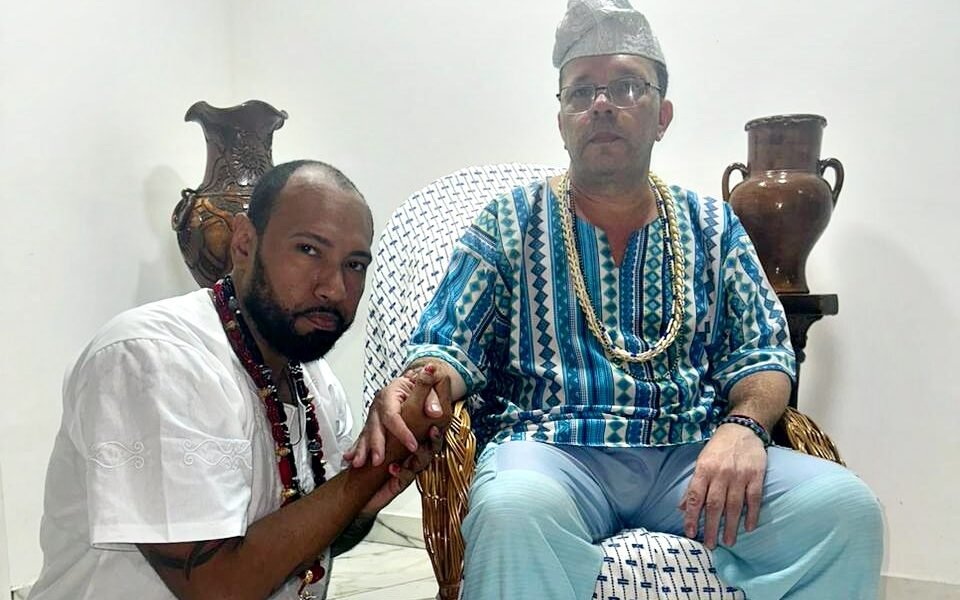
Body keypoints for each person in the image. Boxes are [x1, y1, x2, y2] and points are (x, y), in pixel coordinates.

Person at [350, 2, 883, 599]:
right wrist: (418, 382)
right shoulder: (508, 221)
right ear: (562, 121)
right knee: (511, 509)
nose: (601, 104)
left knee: (844, 511)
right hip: (551, 454)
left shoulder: (713, 225)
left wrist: (743, 428)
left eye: (627, 86)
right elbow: (448, 345)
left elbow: (764, 354)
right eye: (582, 91)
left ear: (662, 116)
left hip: (691, 455)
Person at [29, 160, 448, 600]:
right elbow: (217, 588)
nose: (335, 288)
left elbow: (308, 543)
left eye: (355, 264)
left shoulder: (313, 379)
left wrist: (369, 486)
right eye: (308, 250)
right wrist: (370, 472)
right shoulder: (152, 358)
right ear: (245, 242)